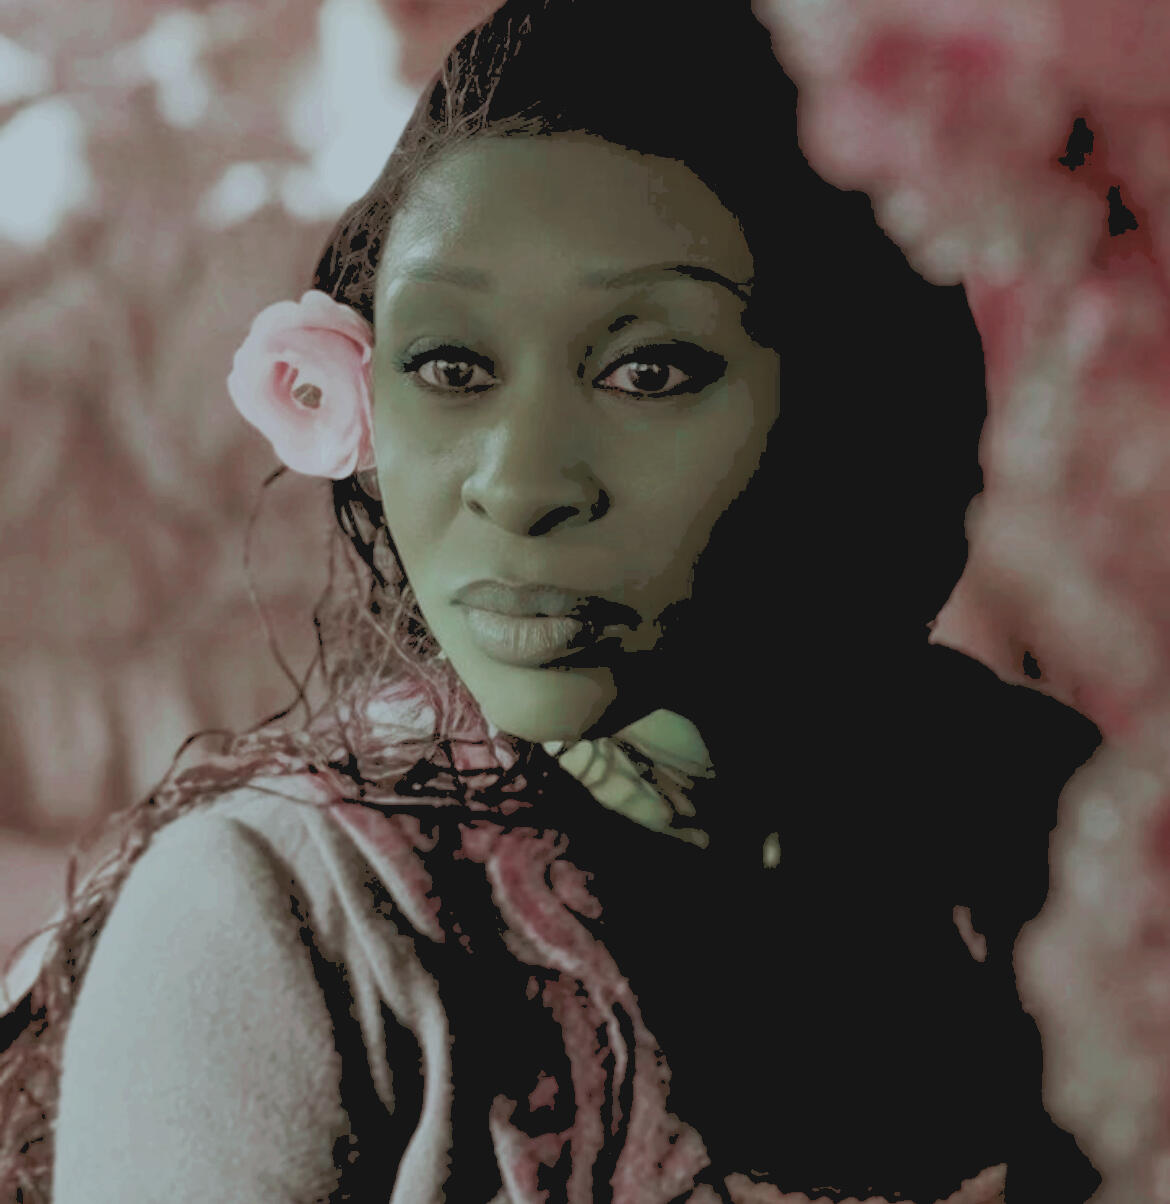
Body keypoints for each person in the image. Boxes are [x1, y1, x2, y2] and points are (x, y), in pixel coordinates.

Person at [0, 0, 1105, 1200]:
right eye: (449, 366)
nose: (521, 484)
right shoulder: (283, 919)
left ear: (855, 396)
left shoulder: (1065, 828)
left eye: (648, 369)